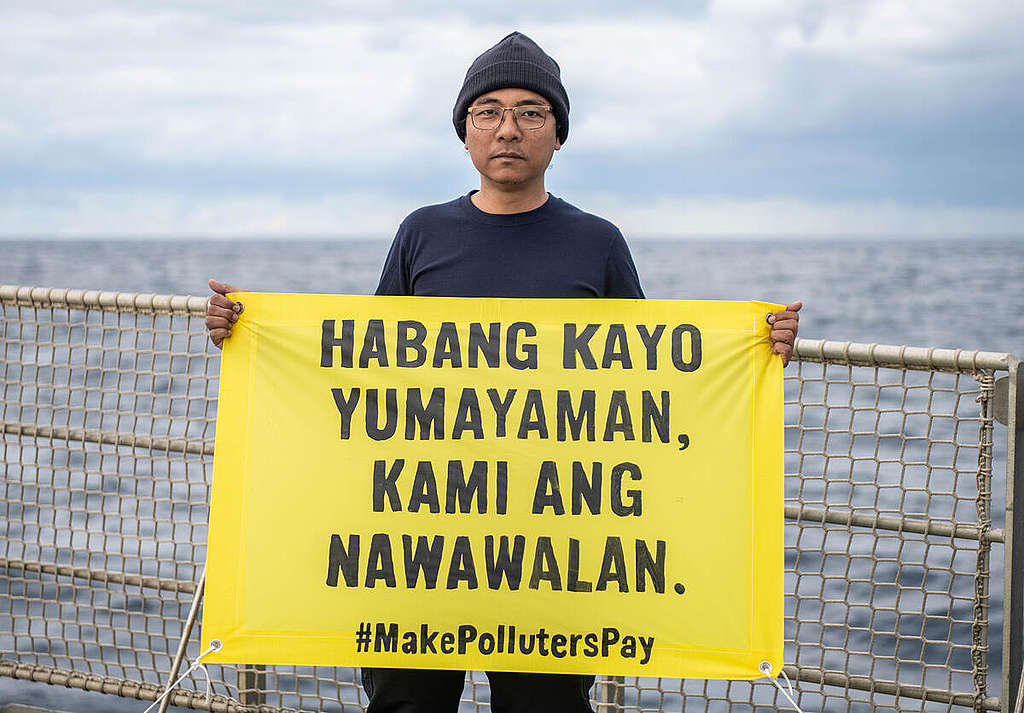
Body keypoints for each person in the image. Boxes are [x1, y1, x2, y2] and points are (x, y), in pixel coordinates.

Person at [205, 31, 801, 713]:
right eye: (487, 111)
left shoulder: (597, 242)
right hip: (418, 538)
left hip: (556, 541)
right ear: (464, 133)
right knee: (407, 704)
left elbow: (657, 378)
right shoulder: (421, 233)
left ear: (558, 134)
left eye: (530, 112)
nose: (508, 129)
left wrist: (757, 347)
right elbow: (357, 372)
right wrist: (250, 336)